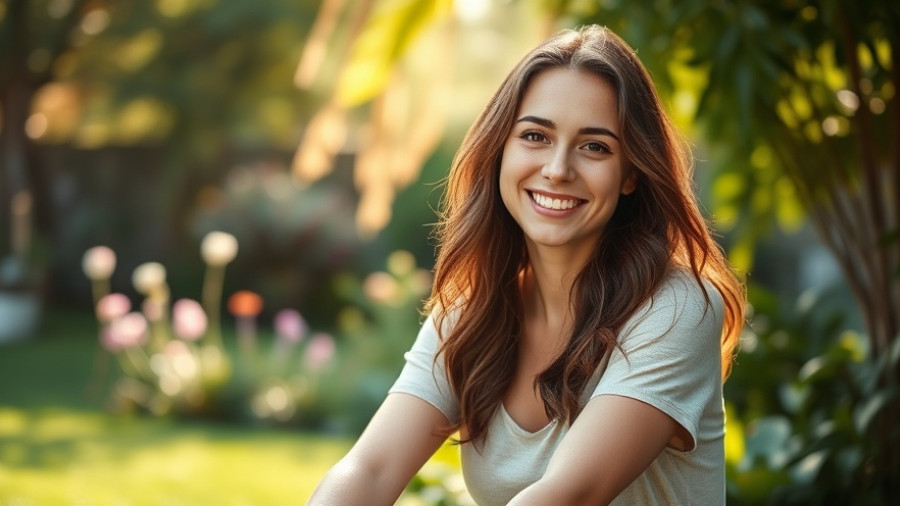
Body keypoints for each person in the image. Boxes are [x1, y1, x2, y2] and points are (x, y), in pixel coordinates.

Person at [309, 24, 745, 506]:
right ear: (501, 151)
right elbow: (369, 470)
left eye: (595, 146)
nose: (558, 169)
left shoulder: (676, 308)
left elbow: (569, 494)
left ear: (630, 175)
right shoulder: (473, 312)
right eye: (536, 136)